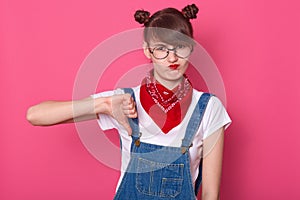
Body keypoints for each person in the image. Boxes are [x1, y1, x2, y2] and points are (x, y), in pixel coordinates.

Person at [27, 4, 231, 200]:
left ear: (191, 48)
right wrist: (103, 104)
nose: (172, 57)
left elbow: (210, 194)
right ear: (147, 51)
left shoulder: (209, 108)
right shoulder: (123, 101)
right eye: (161, 48)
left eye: (180, 46)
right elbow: (35, 115)